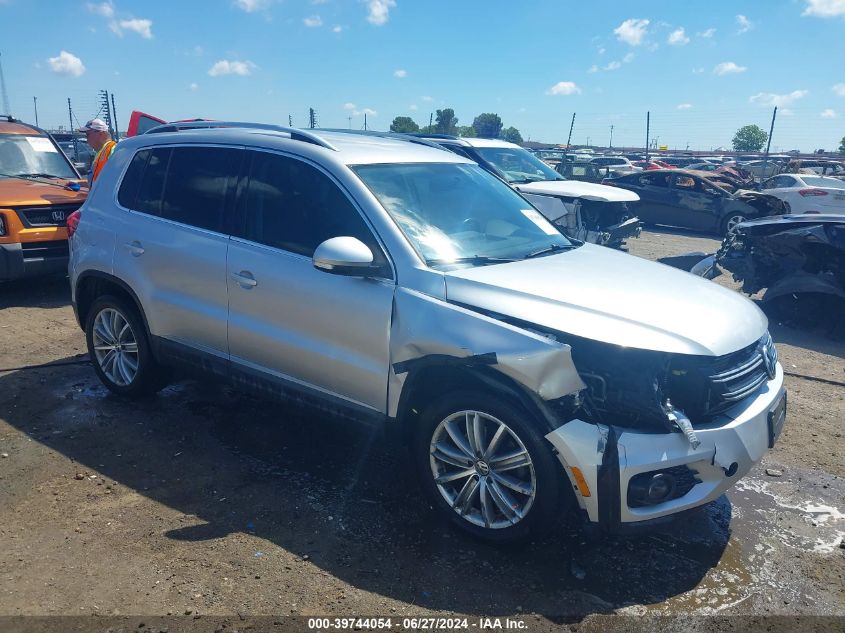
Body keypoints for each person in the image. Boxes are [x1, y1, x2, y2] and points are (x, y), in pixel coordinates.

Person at [78, 118, 116, 185]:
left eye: (88, 135)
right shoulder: (100, 152)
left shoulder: (113, 149)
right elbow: (96, 182)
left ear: (101, 134)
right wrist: (79, 183)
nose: (87, 139)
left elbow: (114, 180)